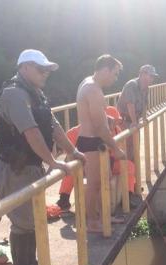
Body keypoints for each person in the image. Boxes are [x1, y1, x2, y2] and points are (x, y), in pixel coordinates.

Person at [0, 49, 84, 265]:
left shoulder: (36, 94)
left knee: (33, 219)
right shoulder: (14, 94)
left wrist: (72, 151)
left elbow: (52, 125)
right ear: (24, 68)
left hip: (31, 166)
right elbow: (31, 131)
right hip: (16, 169)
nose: (45, 73)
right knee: (24, 222)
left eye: (47, 70)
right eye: (40, 69)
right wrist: (53, 162)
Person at [76, 55, 127, 233]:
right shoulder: (93, 90)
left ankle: (101, 216)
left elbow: (92, 114)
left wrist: (108, 117)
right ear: (105, 70)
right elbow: (99, 127)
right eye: (115, 73)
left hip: (90, 139)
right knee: (94, 184)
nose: (115, 78)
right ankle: (91, 221)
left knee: (100, 182)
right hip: (91, 141)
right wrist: (116, 148)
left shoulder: (89, 83)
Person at [57, 107, 136, 211]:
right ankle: (64, 198)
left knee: (129, 166)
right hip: (87, 166)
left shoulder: (117, 131)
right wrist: (73, 154)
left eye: (117, 121)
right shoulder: (82, 130)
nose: (116, 123)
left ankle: (128, 197)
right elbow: (67, 139)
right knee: (72, 167)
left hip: (109, 164)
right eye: (113, 121)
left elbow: (117, 153)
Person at [116, 64, 159, 206]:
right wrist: (134, 123)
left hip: (134, 122)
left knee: (134, 154)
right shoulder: (131, 85)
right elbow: (130, 105)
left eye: (153, 77)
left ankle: (133, 185)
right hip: (124, 122)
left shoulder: (146, 88)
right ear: (142, 74)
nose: (151, 79)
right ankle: (126, 193)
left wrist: (145, 118)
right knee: (127, 155)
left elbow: (145, 103)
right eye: (149, 76)